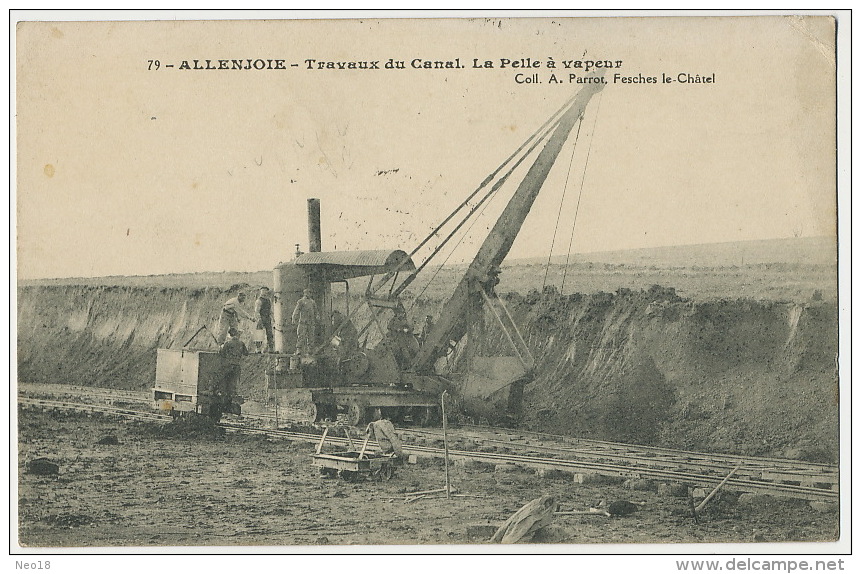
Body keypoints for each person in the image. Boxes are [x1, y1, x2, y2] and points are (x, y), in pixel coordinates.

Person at [217, 328, 248, 415]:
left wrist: (221, 348)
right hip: (237, 366)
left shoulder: (228, 343)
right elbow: (246, 353)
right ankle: (233, 403)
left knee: (224, 384)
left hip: (228, 366)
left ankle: (224, 401)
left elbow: (222, 354)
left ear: (229, 335)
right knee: (233, 385)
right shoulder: (241, 343)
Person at [291, 288, 318, 355]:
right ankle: (298, 349)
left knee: (311, 336)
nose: (308, 294)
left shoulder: (312, 302)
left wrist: (317, 316)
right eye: (307, 293)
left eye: (309, 293)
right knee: (301, 336)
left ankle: (310, 350)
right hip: (303, 322)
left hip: (311, 322)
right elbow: (296, 310)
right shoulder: (301, 301)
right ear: (304, 293)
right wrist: (294, 317)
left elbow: (316, 311)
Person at [254, 287, 274, 353]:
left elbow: (270, 310)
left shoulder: (268, 300)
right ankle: (258, 349)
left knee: (269, 333)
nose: (264, 292)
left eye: (265, 291)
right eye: (263, 291)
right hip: (261, 318)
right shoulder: (259, 301)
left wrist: (273, 318)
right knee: (259, 333)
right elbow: (257, 311)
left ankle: (271, 348)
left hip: (267, 318)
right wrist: (259, 319)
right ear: (261, 291)